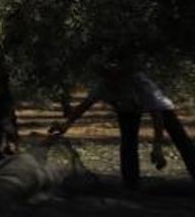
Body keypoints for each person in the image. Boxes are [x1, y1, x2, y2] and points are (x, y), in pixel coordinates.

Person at [49, 64, 195, 189]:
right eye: (107, 76)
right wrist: (66, 125)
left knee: (181, 138)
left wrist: (157, 147)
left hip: (159, 107)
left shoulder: (141, 84)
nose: (112, 80)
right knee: (128, 142)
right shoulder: (103, 86)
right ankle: (131, 184)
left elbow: (157, 116)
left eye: (115, 76)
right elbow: (85, 105)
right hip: (126, 108)